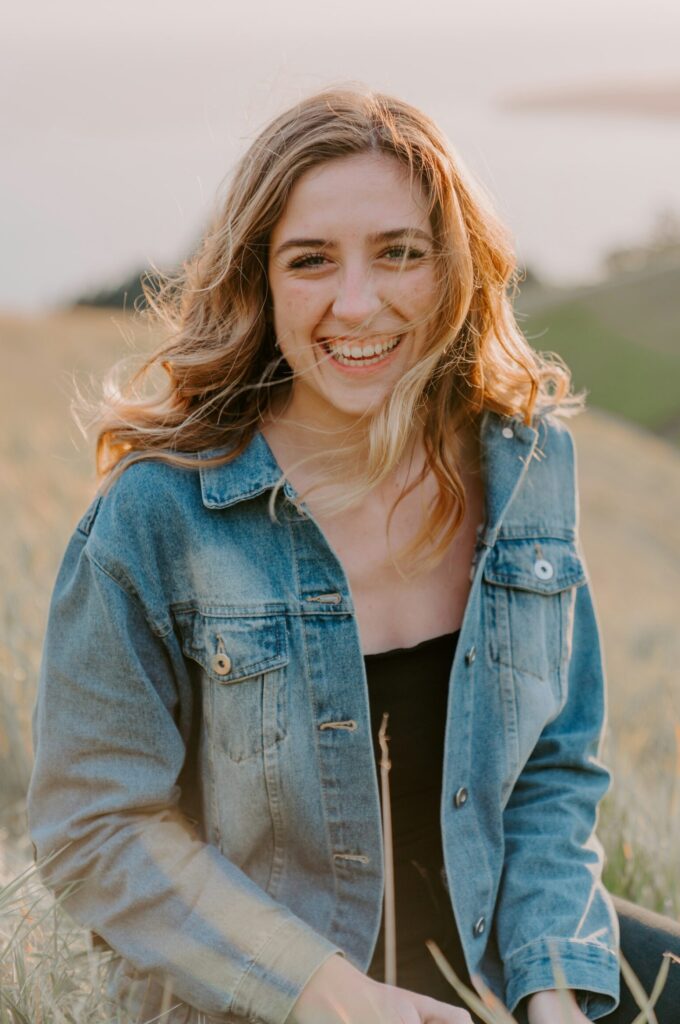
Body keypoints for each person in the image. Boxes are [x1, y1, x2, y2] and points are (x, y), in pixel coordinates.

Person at [28, 88, 679, 1024]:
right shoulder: (159, 513)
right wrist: (321, 992)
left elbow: (551, 769)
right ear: (260, 282)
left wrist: (552, 988)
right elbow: (93, 828)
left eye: (399, 253)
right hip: (267, 997)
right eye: (311, 261)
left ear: (452, 268)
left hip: (505, 953)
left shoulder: (525, 464)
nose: (357, 302)